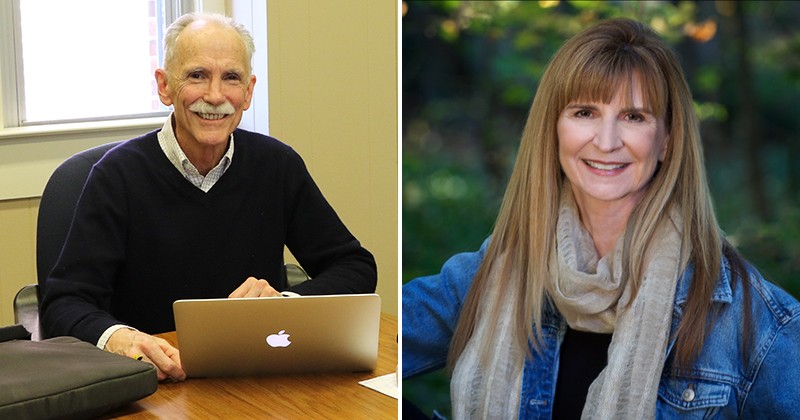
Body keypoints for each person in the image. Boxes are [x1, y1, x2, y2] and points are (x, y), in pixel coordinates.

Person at [402, 18, 800, 418]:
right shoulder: (497, 272)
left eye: (634, 117)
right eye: (585, 112)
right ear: (554, 129)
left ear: (667, 140)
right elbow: (352, 340)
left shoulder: (746, 318)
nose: (607, 142)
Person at [41, 12, 377, 382]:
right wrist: (120, 338)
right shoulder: (114, 176)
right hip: (154, 382)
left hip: (254, 375)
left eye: (230, 78)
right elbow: (63, 303)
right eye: (197, 75)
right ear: (164, 85)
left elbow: (356, 267)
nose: (215, 96)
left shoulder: (277, 165)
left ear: (248, 92)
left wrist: (284, 304)